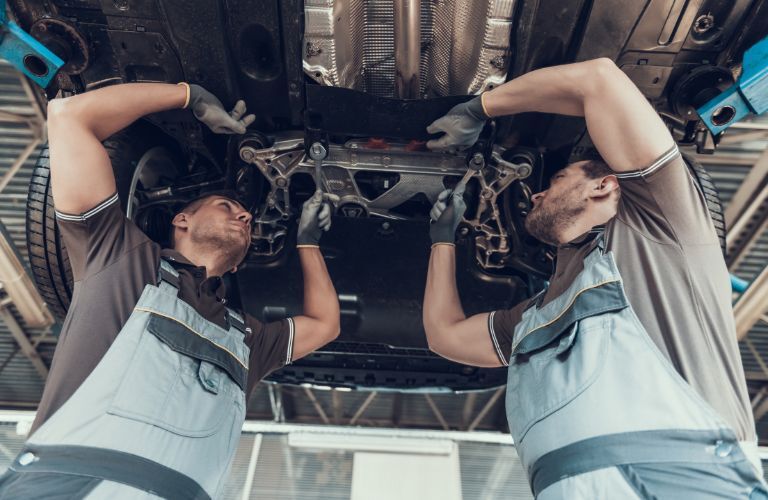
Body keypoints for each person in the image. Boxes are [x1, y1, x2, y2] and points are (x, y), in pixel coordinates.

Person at [422, 58, 767, 498]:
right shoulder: (536, 317)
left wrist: (481, 108)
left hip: (685, 480)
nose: (538, 193)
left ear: (603, 185)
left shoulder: (660, 227)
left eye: (557, 178)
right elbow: (446, 336)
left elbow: (598, 79)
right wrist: (442, 241)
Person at [0, 83, 340, 499]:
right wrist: (190, 95)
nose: (245, 216)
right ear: (181, 220)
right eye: (228, 207)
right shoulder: (119, 256)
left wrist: (307, 243)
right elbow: (69, 116)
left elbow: (323, 324)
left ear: (236, 265)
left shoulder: (242, 335)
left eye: (242, 216)